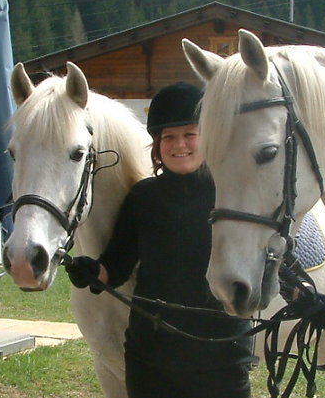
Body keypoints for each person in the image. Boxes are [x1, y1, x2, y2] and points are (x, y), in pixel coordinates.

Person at [65, 82, 254, 398]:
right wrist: (92, 271)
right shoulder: (143, 196)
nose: (179, 144)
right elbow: (117, 265)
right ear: (158, 143)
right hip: (150, 355)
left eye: (189, 134)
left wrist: (300, 291)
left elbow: (267, 256)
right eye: (168, 136)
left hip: (220, 354)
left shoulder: (233, 195)